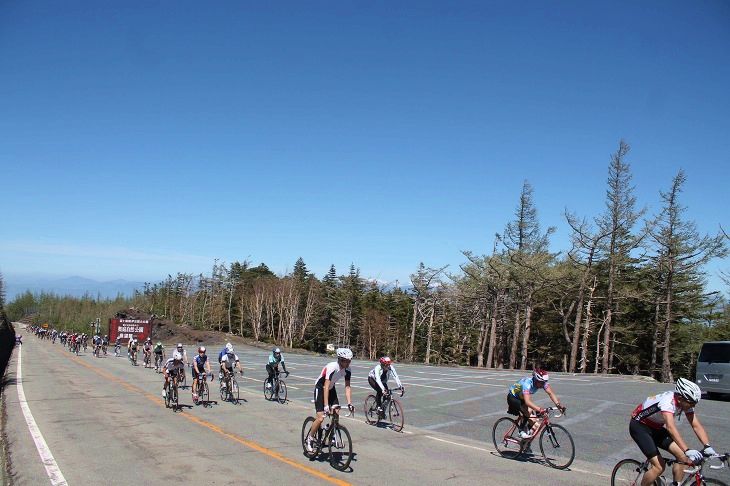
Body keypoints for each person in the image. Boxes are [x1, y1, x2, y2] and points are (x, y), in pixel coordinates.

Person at [630, 378, 715, 486]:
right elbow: (670, 427)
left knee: (682, 457)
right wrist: (687, 449)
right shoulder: (667, 402)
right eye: (691, 403)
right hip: (640, 427)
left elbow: (696, 425)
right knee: (659, 467)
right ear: (680, 398)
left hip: (656, 427)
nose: (693, 406)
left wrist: (707, 446)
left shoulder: (684, 402)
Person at [304, 348, 355, 453]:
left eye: (350, 360)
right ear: (341, 359)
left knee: (336, 411)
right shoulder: (332, 367)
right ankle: (310, 438)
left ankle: (330, 429)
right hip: (321, 388)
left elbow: (348, 387)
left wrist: (350, 403)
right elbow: (325, 386)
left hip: (331, 389)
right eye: (347, 360)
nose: (349, 363)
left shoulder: (348, 369)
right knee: (320, 418)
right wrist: (326, 405)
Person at [507, 368, 565, 439]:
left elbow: (551, 393)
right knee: (526, 412)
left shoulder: (542, 383)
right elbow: (528, 402)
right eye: (541, 382)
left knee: (533, 417)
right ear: (536, 380)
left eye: (544, 382)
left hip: (522, 398)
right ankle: (521, 431)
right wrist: (540, 409)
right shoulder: (527, 384)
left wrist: (558, 405)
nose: (543, 384)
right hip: (513, 398)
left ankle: (525, 443)